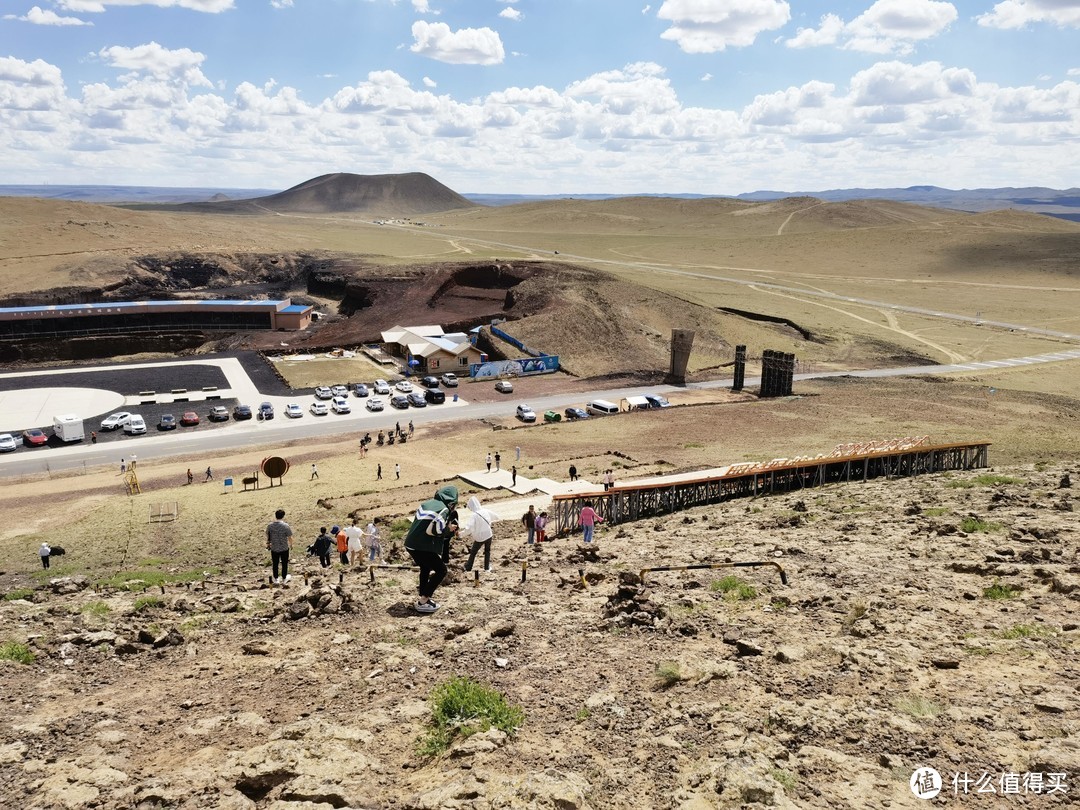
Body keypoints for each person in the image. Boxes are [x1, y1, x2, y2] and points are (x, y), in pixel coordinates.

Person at [404, 485, 458, 613]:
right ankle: (423, 601)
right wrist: (448, 529)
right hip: (421, 546)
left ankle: (423, 596)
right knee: (441, 570)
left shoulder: (427, 504)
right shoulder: (443, 509)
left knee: (425, 567)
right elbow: (433, 530)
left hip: (411, 544)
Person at [462, 495, 495, 572]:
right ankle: (487, 568)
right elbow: (496, 516)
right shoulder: (485, 511)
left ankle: (468, 567)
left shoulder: (474, 515)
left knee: (473, 552)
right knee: (487, 551)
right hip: (489, 535)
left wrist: (461, 534)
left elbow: (468, 528)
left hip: (480, 537)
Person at [266, 509, 294, 584]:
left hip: (274, 547)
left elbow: (268, 535)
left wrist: (268, 544)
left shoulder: (270, 526)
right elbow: (289, 537)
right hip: (284, 547)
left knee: (275, 563)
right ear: (283, 516)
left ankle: (276, 578)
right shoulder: (285, 526)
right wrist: (291, 544)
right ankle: (284, 578)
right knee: (284, 563)